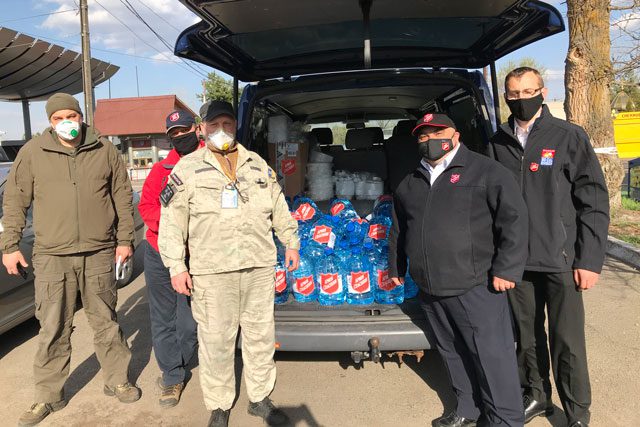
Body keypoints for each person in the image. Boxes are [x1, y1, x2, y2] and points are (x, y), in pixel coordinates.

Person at [1, 93, 140, 427]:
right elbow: (16, 199)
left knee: (106, 320)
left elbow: (121, 196)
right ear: (50, 122)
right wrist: (10, 245)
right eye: (58, 118)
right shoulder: (32, 153)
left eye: (72, 116)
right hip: (52, 255)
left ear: (81, 117)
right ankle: (48, 397)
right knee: (52, 327)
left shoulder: (104, 150)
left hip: (98, 251)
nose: (67, 123)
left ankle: (117, 379)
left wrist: (125, 240)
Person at [158, 100, 300, 427]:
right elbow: (172, 222)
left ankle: (260, 398)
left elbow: (278, 206)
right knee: (216, 341)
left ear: (236, 126)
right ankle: (220, 404)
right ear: (201, 129)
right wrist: (176, 266)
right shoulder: (187, 169)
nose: (222, 130)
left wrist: (290, 242)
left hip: (257, 267)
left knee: (260, 337)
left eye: (228, 124)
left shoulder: (257, 164)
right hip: (212, 272)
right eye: (214, 124)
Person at [389, 113, 529, 427]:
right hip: (430, 286)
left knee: (492, 358)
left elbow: (514, 222)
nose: (429, 140)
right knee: (451, 352)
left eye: (436, 132)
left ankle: (505, 420)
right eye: (422, 136)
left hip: (476, 285)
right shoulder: (410, 181)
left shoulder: (486, 171)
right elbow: (399, 229)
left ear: (455, 135)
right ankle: (468, 410)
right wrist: (397, 266)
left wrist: (507, 268)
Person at [490, 67, 610, 427]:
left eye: (529, 90)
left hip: (562, 259)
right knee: (526, 338)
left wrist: (589, 259)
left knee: (567, 342)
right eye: (514, 94)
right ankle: (537, 396)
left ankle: (577, 413)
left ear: (542, 91)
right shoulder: (497, 144)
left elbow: (593, 200)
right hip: (516, 262)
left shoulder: (567, 136)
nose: (521, 99)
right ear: (506, 97)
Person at [138, 109, 203, 408]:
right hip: (159, 251)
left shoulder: (211, 163)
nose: (180, 137)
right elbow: (146, 206)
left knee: (189, 321)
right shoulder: (161, 169)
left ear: (197, 129)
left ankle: (181, 359)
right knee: (162, 317)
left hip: (196, 255)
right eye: (173, 134)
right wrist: (171, 227)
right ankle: (172, 376)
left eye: (183, 130)